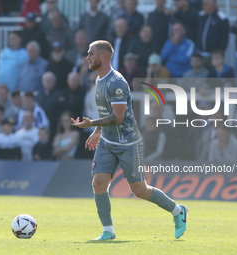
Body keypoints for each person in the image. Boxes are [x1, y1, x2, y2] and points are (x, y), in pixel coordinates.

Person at [71, 40, 187, 240]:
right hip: (108, 142)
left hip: (128, 144)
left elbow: (118, 117)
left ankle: (178, 210)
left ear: (103, 56)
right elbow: (106, 112)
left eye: (91, 54)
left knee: (139, 190)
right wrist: (98, 130)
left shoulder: (117, 82)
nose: (87, 57)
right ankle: (108, 231)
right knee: (98, 183)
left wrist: (92, 124)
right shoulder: (99, 79)